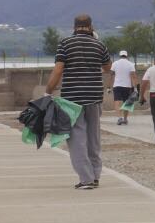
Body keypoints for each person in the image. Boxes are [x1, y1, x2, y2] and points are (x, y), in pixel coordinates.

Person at [45, 14, 111, 189]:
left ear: (74, 26)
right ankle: (95, 175)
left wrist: (48, 90)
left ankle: (86, 178)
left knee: (77, 138)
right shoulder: (100, 44)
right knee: (93, 137)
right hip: (95, 96)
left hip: (72, 98)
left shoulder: (65, 44)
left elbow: (58, 70)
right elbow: (107, 67)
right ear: (91, 26)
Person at [110, 49, 136, 126]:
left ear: (120, 55)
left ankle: (119, 118)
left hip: (117, 85)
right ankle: (125, 119)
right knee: (127, 103)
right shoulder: (130, 64)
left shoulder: (115, 63)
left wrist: (108, 86)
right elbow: (133, 76)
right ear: (126, 55)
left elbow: (111, 75)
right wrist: (135, 88)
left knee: (117, 102)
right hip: (127, 86)